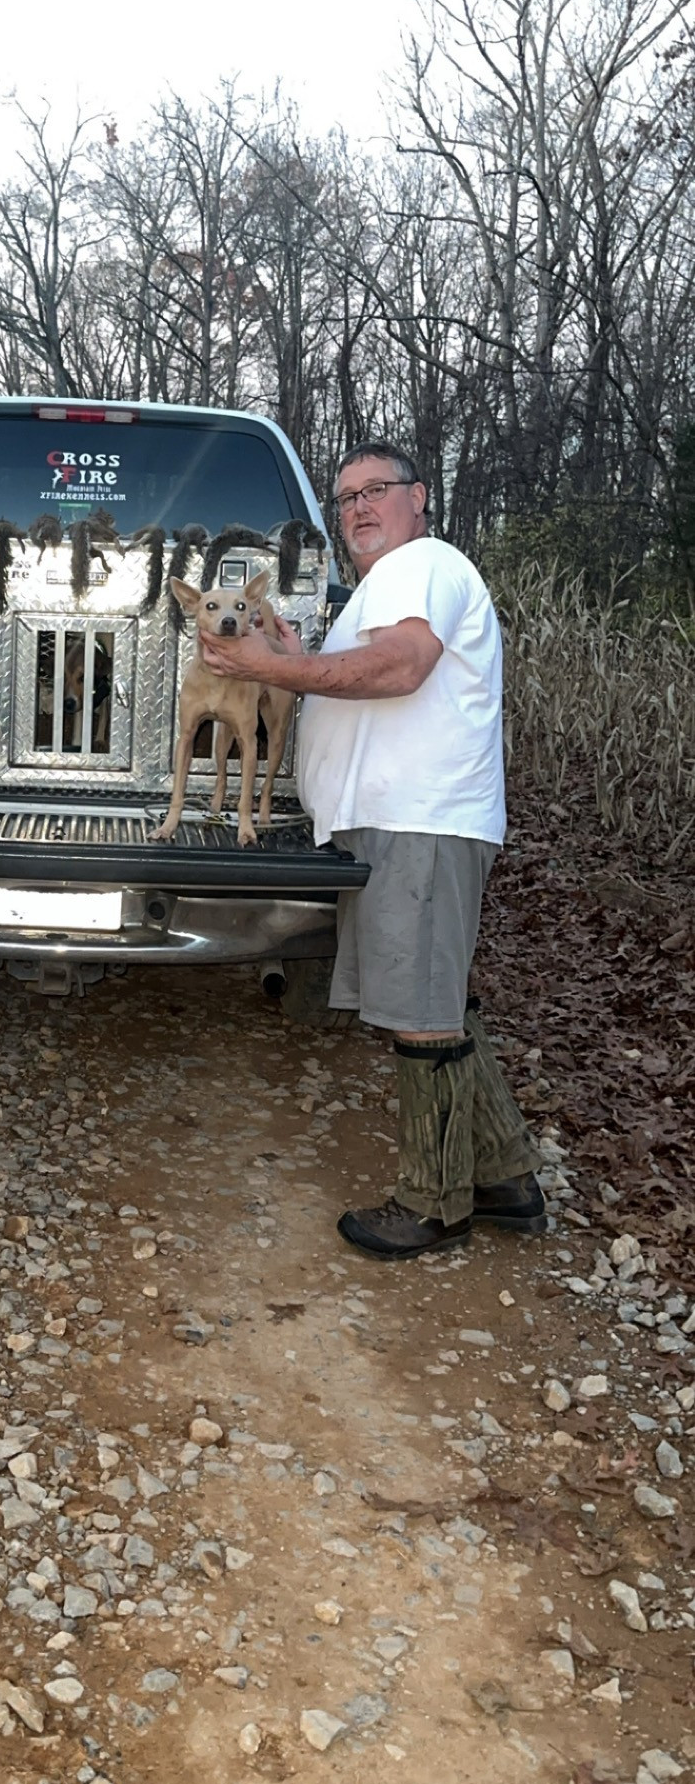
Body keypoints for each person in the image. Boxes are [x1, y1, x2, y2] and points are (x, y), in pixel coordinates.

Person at [201, 440, 544, 1258]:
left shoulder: (424, 564)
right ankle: (505, 1179)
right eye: (347, 495)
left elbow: (399, 670)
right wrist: (292, 660)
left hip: (422, 820)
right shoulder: (383, 588)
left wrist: (270, 667)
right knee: (435, 1001)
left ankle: (434, 1204)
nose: (359, 506)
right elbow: (355, 680)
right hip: (395, 823)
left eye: (377, 489)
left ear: (418, 498)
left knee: (422, 1018)